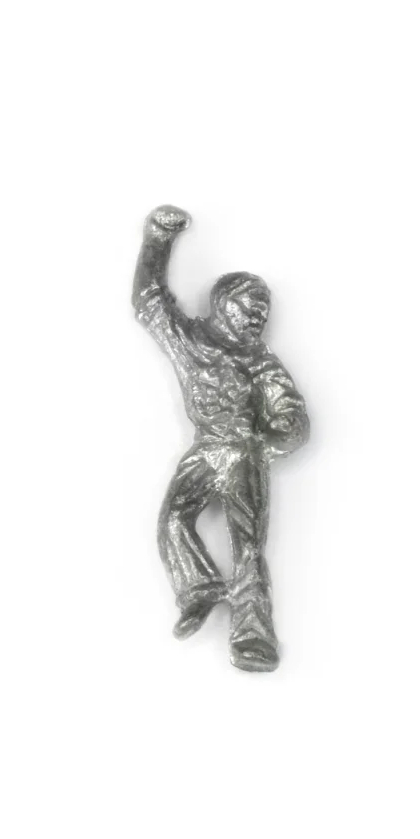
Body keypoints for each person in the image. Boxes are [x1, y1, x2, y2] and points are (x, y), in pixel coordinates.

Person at [133, 205, 309, 672]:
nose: (258, 316)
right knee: (173, 519)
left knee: (247, 546)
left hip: (245, 450)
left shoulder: (261, 360)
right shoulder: (189, 340)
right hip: (206, 447)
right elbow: (149, 300)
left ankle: (254, 637)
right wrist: (158, 239)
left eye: (263, 311)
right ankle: (200, 587)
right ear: (223, 302)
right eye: (250, 305)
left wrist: (267, 445)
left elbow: (292, 413)